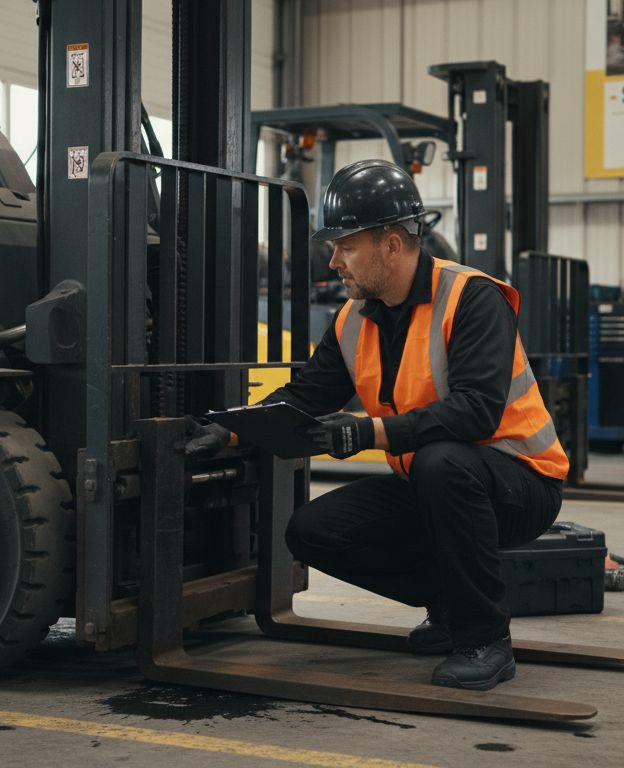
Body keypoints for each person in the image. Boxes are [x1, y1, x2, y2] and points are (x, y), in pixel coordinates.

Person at [185, 159, 568, 691]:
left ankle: (485, 638)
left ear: (392, 244)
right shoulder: (353, 319)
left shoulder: (473, 298)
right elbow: (305, 396)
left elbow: (476, 410)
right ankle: (451, 604)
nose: (334, 260)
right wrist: (229, 431)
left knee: (442, 462)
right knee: (312, 531)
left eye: (346, 245)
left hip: (521, 482)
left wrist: (367, 432)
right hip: (437, 484)